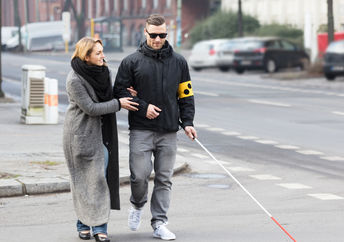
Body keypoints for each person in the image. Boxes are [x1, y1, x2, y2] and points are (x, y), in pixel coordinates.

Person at [113, 14, 197, 240]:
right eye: (153, 35)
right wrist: (142, 107)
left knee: (164, 178)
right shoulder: (131, 62)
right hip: (141, 129)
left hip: (169, 130)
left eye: (162, 35)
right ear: (145, 33)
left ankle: (159, 222)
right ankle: (137, 203)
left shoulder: (179, 62)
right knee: (139, 176)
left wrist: (188, 123)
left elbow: (186, 95)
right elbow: (119, 92)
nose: (158, 39)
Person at [63, 37, 138, 242]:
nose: (103, 56)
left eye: (102, 51)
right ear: (86, 56)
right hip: (81, 136)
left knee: (99, 181)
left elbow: (105, 97)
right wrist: (118, 103)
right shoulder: (74, 79)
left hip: (103, 135)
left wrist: (122, 94)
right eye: (98, 53)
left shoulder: (105, 72)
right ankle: (84, 224)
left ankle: (98, 227)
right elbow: (92, 108)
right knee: (84, 182)